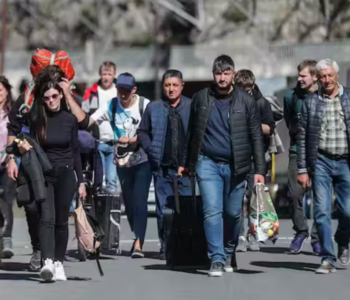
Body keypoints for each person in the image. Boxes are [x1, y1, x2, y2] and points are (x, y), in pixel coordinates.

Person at [178, 55, 265, 277]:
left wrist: (259, 172)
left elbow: (256, 136)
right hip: (207, 163)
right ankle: (216, 258)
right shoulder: (200, 98)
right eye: (218, 73)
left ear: (233, 75)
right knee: (212, 211)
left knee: (234, 214)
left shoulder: (246, 101)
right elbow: (191, 134)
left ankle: (228, 252)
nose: (222, 77)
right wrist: (186, 164)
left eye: (226, 73)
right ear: (213, 74)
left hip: (238, 166)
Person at [7, 51, 89, 271]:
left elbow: (84, 123)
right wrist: (12, 159)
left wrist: (67, 95)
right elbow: (13, 129)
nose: (51, 99)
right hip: (31, 161)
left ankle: (52, 259)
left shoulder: (65, 96)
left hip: (61, 165)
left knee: (57, 214)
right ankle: (39, 249)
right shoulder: (28, 98)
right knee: (33, 208)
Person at [84, 73, 152, 258]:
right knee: (129, 205)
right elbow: (90, 119)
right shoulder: (112, 105)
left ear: (134, 90)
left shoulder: (144, 106)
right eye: (120, 89)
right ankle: (137, 234)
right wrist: (77, 123)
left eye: (126, 90)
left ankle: (139, 242)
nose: (122, 93)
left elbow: (152, 130)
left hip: (142, 161)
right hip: (122, 162)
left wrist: (132, 139)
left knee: (140, 202)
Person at [297, 59, 350, 274]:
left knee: (348, 211)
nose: (327, 80)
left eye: (330, 75)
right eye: (322, 76)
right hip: (321, 162)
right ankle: (327, 258)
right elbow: (302, 138)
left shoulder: (348, 97)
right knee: (321, 211)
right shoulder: (311, 102)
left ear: (337, 76)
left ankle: (343, 240)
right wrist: (302, 169)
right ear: (317, 78)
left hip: (346, 161)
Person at [137, 70, 192, 259]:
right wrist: (151, 150)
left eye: (175, 85)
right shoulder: (154, 108)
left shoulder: (191, 107)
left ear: (182, 86)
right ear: (163, 86)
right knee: (162, 211)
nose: (171, 89)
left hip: (186, 171)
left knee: (186, 210)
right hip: (161, 169)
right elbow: (142, 132)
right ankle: (166, 246)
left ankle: (185, 246)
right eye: (168, 85)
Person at [234, 69, 275, 252]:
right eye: (244, 88)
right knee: (236, 198)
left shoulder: (261, 102)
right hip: (236, 156)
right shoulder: (232, 101)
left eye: (250, 88)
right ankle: (239, 235)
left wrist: (252, 125)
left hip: (255, 157)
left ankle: (254, 235)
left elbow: (270, 128)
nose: (248, 91)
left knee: (253, 197)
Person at [284, 60, 320, 254]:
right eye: (298, 75)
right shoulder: (291, 96)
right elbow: (290, 124)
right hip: (297, 152)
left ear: (315, 77)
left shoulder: (324, 96)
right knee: (294, 194)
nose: (299, 79)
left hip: (321, 154)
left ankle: (317, 239)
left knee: (320, 199)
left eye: (303, 75)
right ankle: (301, 232)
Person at [82, 61, 119, 194]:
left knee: (111, 180)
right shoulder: (91, 93)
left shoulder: (119, 92)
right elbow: (84, 114)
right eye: (104, 73)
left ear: (114, 75)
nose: (106, 77)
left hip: (115, 142)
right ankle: (97, 210)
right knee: (98, 180)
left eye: (109, 74)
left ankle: (110, 211)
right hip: (96, 142)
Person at [0, 76, 16, 259]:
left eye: (1, 90)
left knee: (5, 198)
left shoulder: (12, 112)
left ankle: (7, 239)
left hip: (7, 163)